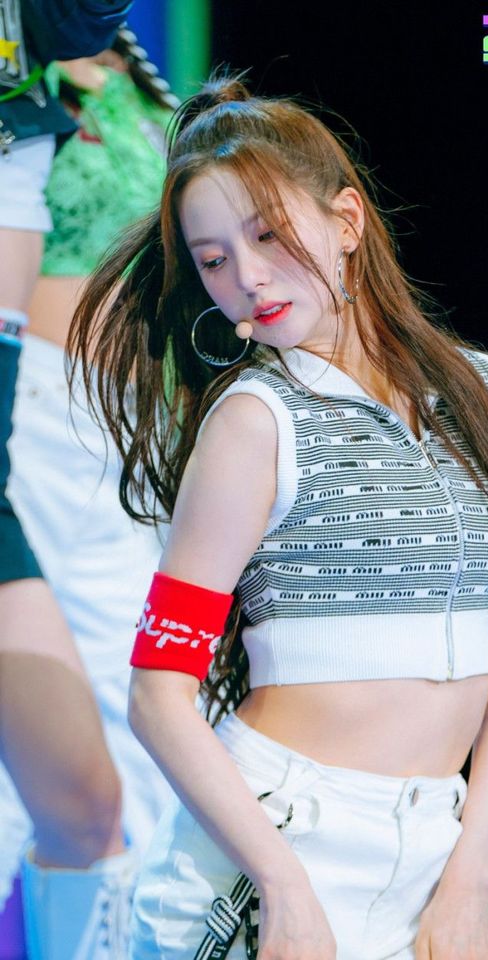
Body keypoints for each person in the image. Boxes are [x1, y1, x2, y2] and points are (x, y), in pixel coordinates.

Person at [69, 67, 488, 960]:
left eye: (267, 234)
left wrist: (470, 886)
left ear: (347, 221)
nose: (246, 277)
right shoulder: (254, 420)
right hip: (270, 856)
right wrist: (282, 884)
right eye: (214, 260)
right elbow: (158, 691)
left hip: (436, 865)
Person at [0, 26, 179, 960]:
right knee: (20, 766)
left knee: (139, 754)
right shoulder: (20, 42)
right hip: (27, 411)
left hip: (132, 435)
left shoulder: (129, 63)